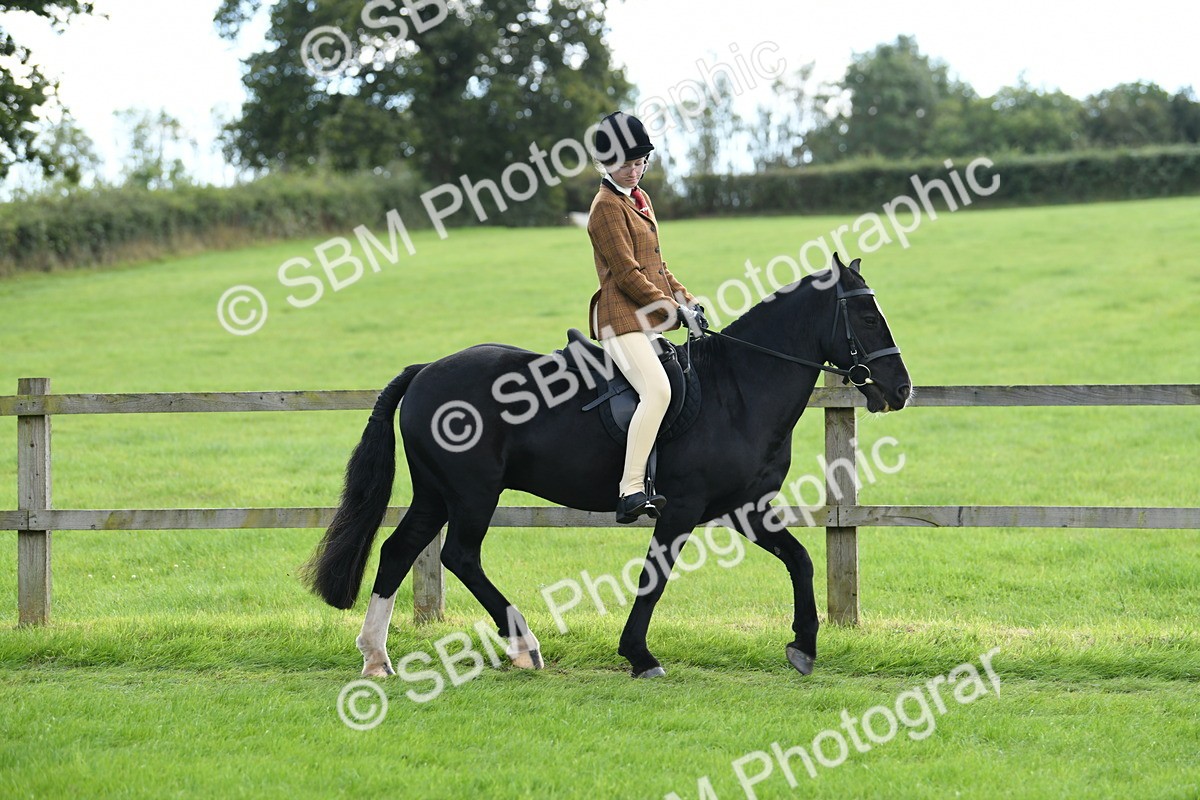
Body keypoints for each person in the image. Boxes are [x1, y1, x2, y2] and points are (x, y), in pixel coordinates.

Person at [586, 111, 707, 524]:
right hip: (620, 319)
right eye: (627, 163)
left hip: (646, 317)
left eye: (641, 162)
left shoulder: (638, 199)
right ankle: (630, 489)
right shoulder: (605, 207)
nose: (636, 170)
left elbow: (656, 264)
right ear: (606, 163)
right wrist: (671, 310)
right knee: (656, 390)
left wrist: (686, 298)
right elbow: (627, 273)